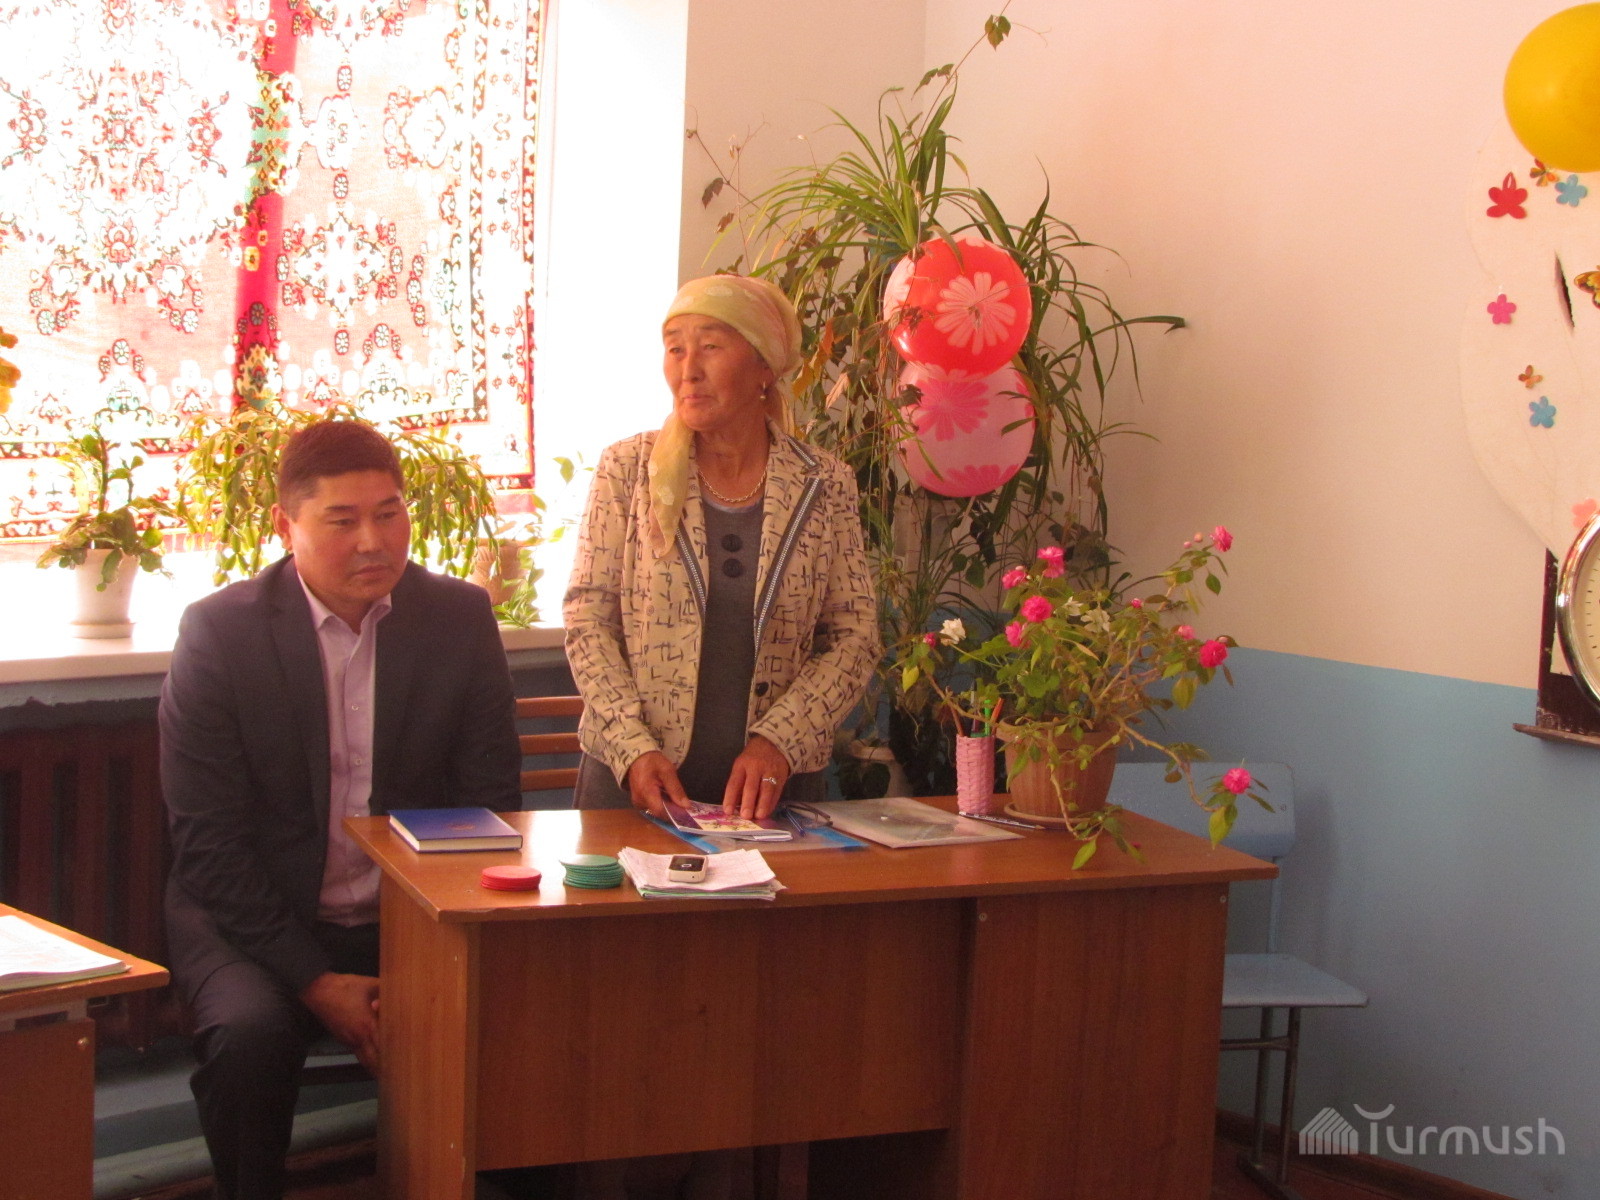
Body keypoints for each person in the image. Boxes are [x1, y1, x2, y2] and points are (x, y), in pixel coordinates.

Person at [160, 419, 521, 1200]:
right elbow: (209, 846)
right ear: (285, 527)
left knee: (534, 1012)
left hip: (411, 917)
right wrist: (320, 983)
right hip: (255, 924)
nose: (373, 542)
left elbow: (490, 807)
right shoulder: (221, 633)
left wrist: (427, 958)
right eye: (342, 521)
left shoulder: (458, 618)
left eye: (389, 515)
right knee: (249, 1036)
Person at [564, 273, 880, 819]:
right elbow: (588, 618)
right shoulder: (628, 470)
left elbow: (855, 635)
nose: (688, 370)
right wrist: (631, 746)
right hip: (632, 786)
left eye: (710, 347)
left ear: (764, 367)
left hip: (771, 795)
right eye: (674, 349)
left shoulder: (823, 483)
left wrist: (780, 740)